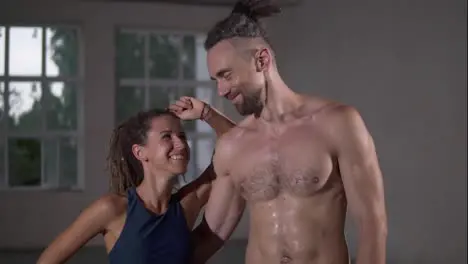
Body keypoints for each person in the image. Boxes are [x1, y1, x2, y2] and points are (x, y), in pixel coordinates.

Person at [191, 1, 388, 264]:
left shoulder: (338, 123)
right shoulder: (232, 147)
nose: (222, 91)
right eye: (216, 80)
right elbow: (208, 237)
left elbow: (372, 225)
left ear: (262, 60)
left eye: (226, 75)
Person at [37, 97, 235, 264]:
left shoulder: (186, 206)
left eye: (182, 136)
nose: (181, 144)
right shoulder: (111, 209)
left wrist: (206, 113)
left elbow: (239, 147)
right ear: (140, 152)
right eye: (167, 137)